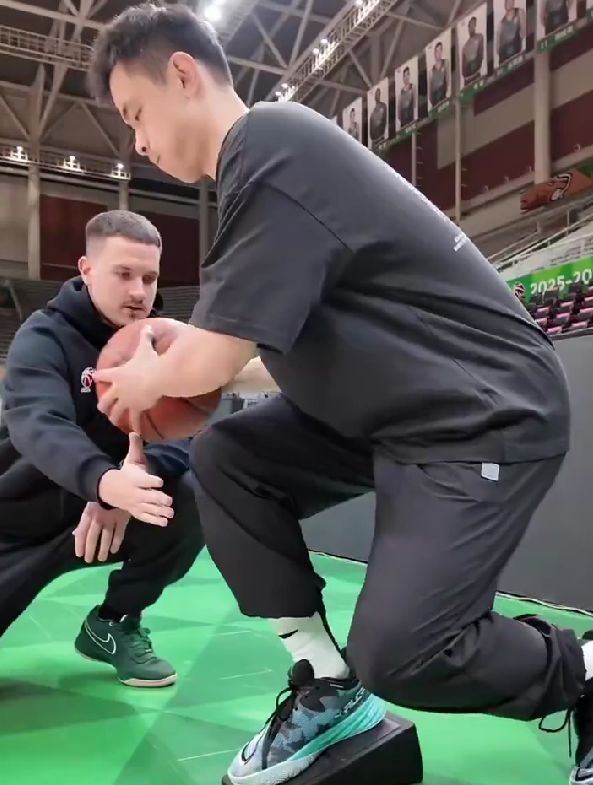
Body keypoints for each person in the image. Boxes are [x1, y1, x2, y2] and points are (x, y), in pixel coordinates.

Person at [88, 5, 591, 785]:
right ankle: (326, 683)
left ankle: (583, 668)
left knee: (405, 652)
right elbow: (265, 362)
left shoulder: (272, 143)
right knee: (228, 456)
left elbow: (208, 361)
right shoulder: (264, 175)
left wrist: (151, 373)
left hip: (482, 412)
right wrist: (185, 355)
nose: (138, 142)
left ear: (182, 75)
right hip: (393, 413)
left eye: (135, 114)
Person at [0, 209, 204, 688]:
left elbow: (189, 435)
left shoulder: (166, 344)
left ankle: (113, 622)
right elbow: (38, 423)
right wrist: (105, 482)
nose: (139, 292)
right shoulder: (43, 337)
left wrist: (130, 484)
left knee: (194, 495)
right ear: (87, 269)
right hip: (20, 517)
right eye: (124, 274)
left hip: (108, 514)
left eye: (149, 278)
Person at [496, 0, 526, 65]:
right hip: (504, 57)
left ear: (513, 2)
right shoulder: (501, 23)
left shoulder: (519, 12)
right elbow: (497, 48)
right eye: (507, 1)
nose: (509, 3)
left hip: (516, 51)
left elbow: (523, 32)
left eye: (511, 1)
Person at [461, 16, 484, 86]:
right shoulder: (465, 47)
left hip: (476, 73)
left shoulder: (479, 37)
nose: (471, 27)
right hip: (468, 78)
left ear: (475, 25)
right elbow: (463, 68)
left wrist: (476, 67)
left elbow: (480, 55)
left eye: (473, 24)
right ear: (468, 27)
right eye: (470, 25)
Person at [429, 41, 449, 107]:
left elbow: (448, 79)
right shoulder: (431, 71)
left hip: (444, 95)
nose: (439, 53)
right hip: (435, 99)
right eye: (437, 51)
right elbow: (430, 90)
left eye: (440, 50)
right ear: (435, 53)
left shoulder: (445, 63)